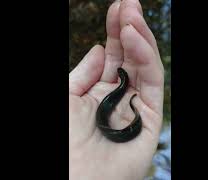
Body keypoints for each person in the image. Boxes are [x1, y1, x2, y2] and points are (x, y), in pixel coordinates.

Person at [69, 0, 164, 179]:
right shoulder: (120, 87)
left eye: (120, 75)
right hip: (108, 128)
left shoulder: (121, 86)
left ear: (121, 78)